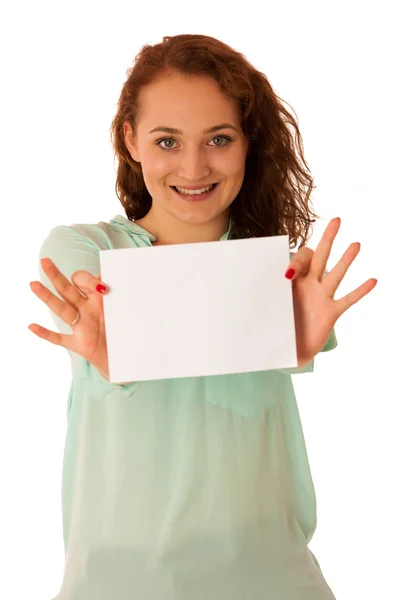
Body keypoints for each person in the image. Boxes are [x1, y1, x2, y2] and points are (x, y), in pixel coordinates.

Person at [29, 34, 377, 600]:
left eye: (219, 139)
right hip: (120, 585)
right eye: (167, 140)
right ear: (130, 140)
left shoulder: (282, 276)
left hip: (273, 582)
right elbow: (124, 325)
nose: (193, 167)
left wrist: (297, 341)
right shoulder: (84, 251)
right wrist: (129, 347)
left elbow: (177, 320)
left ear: (247, 145)